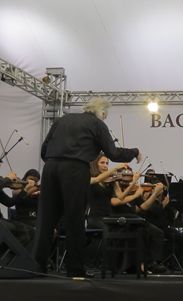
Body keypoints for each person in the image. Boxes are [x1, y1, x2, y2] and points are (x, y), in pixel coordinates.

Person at [34, 98, 142, 278]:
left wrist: (56, 163)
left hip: (50, 167)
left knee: (46, 220)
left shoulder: (62, 119)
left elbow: (44, 149)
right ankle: (75, 270)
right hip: (75, 169)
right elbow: (113, 153)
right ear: (103, 113)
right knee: (74, 220)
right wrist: (134, 152)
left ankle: (37, 268)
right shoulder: (97, 124)